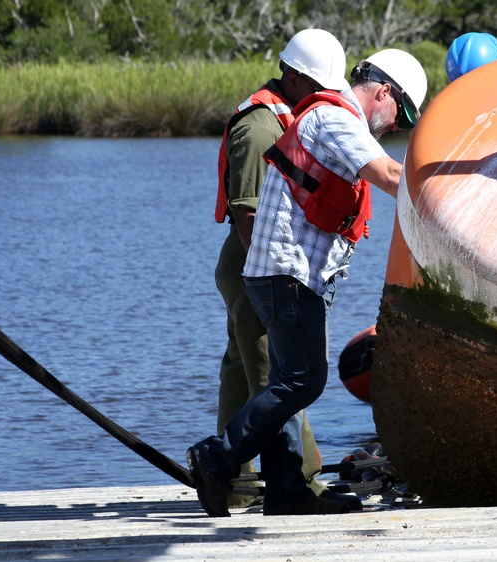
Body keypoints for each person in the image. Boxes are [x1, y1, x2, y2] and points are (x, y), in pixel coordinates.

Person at [187, 48, 428, 517]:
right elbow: (390, 174)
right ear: (383, 92)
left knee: (286, 380)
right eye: (402, 114)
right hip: (287, 274)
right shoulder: (336, 121)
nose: (397, 127)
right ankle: (216, 457)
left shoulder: (325, 116)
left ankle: (286, 492)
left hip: (285, 275)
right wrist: (453, 195)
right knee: (304, 380)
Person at [211, 28, 352, 510]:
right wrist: (271, 286)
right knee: (283, 374)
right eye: (313, 84)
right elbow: (247, 215)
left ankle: (236, 484)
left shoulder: (289, 116)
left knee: (242, 369)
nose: (320, 96)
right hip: (254, 261)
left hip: (252, 264)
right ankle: (302, 481)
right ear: (290, 75)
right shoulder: (261, 128)